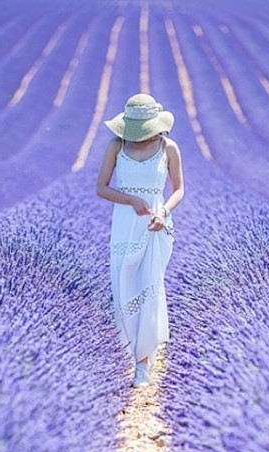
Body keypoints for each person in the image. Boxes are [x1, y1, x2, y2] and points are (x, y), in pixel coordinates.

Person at [96, 93, 184, 388]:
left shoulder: (168, 147)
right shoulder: (116, 146)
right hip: (124, 224)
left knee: (149, 287)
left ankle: (142, 363)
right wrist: (130, 199)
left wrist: (164, 211)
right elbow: (101, 188)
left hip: (155, 225)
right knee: (123, 287)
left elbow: (179, 190)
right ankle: (125, 354)